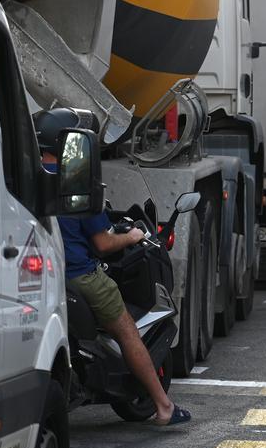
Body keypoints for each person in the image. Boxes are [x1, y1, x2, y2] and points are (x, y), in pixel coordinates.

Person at [34, 108, 190, 427]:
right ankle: (163, 406)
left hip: (43, 276)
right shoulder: (74, 180)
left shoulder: (29, 177)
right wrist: (132, 235)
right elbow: (103, 244)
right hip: (81, 277)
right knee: (127, 331)